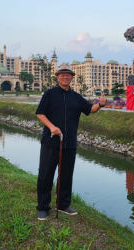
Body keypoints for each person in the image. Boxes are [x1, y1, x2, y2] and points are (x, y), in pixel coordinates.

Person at [35, 64, 106, 220]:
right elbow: (40, 114)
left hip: (70, 143)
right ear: (58, 77)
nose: (65, 77)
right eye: (62, 75)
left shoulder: (76, 97)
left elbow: (90, 110)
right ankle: (43, 207)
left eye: (68, 75)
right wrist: (52, 127)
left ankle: (63, 204)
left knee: (66, 175)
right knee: (46, 175)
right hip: (51, 141)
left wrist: (100, 104)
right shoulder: (49, 94)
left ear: (72, 77)